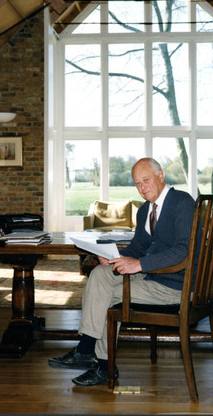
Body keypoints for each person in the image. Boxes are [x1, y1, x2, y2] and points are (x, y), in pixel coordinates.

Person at [48, 157, 196, 386]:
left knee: (109, 297)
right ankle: (85, 350)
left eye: (146, 180)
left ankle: (105, 366)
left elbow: (184, 250)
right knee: (99, 275)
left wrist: (139, 265)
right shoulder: (146, 210)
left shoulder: (182, 202)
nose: (142, 187)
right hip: (154, 275)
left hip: (176, 285)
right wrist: (113, 255)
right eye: (137, 183)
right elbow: (138, 247)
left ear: (161, 175)